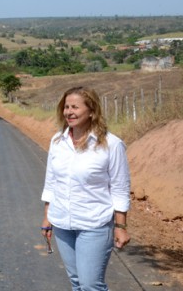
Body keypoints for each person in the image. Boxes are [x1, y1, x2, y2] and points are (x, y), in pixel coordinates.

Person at [41, 86, 131, 291]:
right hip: (62, 222)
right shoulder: (57, 142)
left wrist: (120, 227)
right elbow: (51, 182)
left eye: (75, 107)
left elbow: (120, 188)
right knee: (76, 282)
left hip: (95, 224)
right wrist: (47, 218)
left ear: (91, 110)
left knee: (91, 285)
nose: (69, 112)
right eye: (66, 107)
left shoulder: (111, 144)